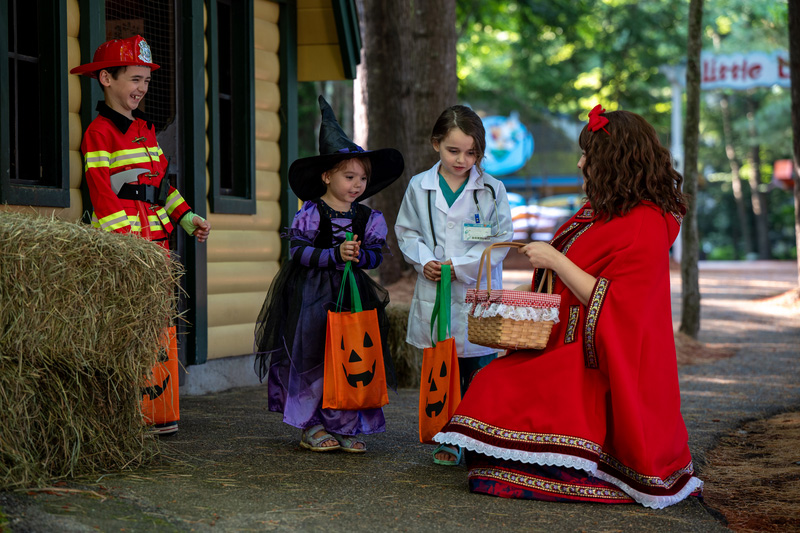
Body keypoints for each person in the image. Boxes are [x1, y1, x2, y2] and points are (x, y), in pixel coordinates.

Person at [434, 107, 703, 508]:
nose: (580, 163)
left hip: (597, 356)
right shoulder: (600, 211)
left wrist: (556, 260)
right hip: (560, 337)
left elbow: (619, 303)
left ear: (615, 161)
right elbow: (560, 280)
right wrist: (518, 290)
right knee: (492, 385)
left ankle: (557, 467)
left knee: (496, 386)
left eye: (588, 155)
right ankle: (518, 465)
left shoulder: (646, 222)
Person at [70, 35, 211, 436]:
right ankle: (125, 415)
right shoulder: (99, 133)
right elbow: (101, 191)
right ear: (105, 79)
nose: (140, 88)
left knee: (158, 325)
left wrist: (187, 219)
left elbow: (161, 187)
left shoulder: (146, 130)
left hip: (157, 246)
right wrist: (130, 246)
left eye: (146, 81)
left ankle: (155, 409)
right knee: (127, 328)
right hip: (127, 249)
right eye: (134, 79)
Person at [255, 96, 404, 453]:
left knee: (350, 354)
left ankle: (347, 421)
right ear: (327, 176)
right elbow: (297, 251)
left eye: (363, 178)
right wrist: (332, 254)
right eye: (349, 176)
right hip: (311, 295)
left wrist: (359, 255)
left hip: (351, 295)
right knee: (313, 356)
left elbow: (372, 258)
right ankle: (312, 425)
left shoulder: (368, 218)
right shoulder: (311, 212)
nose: (357, 184)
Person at [395, 104, 513, 466]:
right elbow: (407, 231)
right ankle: (448, 436)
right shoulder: (420, 186)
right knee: (442, 373)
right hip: (436, 291)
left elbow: (501, 239)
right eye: (453, 150)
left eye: (472, 152)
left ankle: (478, 439)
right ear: (435, 145)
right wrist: (424, 260)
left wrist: (458, 266)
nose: (463, 159)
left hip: (476, 293)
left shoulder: (492, 189)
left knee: (479, 372)